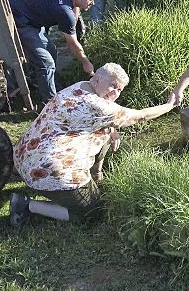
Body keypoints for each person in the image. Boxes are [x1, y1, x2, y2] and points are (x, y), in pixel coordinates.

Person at [10, 63, 174, 225]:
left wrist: (112, 128)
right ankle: (26, 205)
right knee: (93, 213)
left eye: (119, 90)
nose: (115, 93)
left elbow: (98, 120)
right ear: (96, 80)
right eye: (112, 86)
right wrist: (169, 106)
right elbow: (141, 116)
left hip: (23, 156)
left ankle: (95, 177)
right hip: (47, 171)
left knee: (106, 132)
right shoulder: (99, 107)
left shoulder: (80, 86)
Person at [9, 0, 97, 104]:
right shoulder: (65, 11)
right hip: (18, 19)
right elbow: (72, 42)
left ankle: (52, 87)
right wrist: (85, 62)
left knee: (52, 51)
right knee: (46, 63)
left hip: (30, 18)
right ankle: (51, 104)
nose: (92, 3)